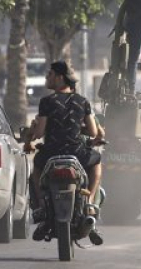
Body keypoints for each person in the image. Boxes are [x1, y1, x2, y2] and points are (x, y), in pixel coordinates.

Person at [23, 61, 103, 244]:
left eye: (49, 74)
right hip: (78, 154)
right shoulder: (82, 101)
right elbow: (92, 132)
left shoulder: (46, 102)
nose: (46, 78)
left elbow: (40, 133)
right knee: (97, 164)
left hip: (51, 154)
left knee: (36, 168)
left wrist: (32, 131)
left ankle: (42, 209)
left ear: (60, 78)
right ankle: (90, 203)